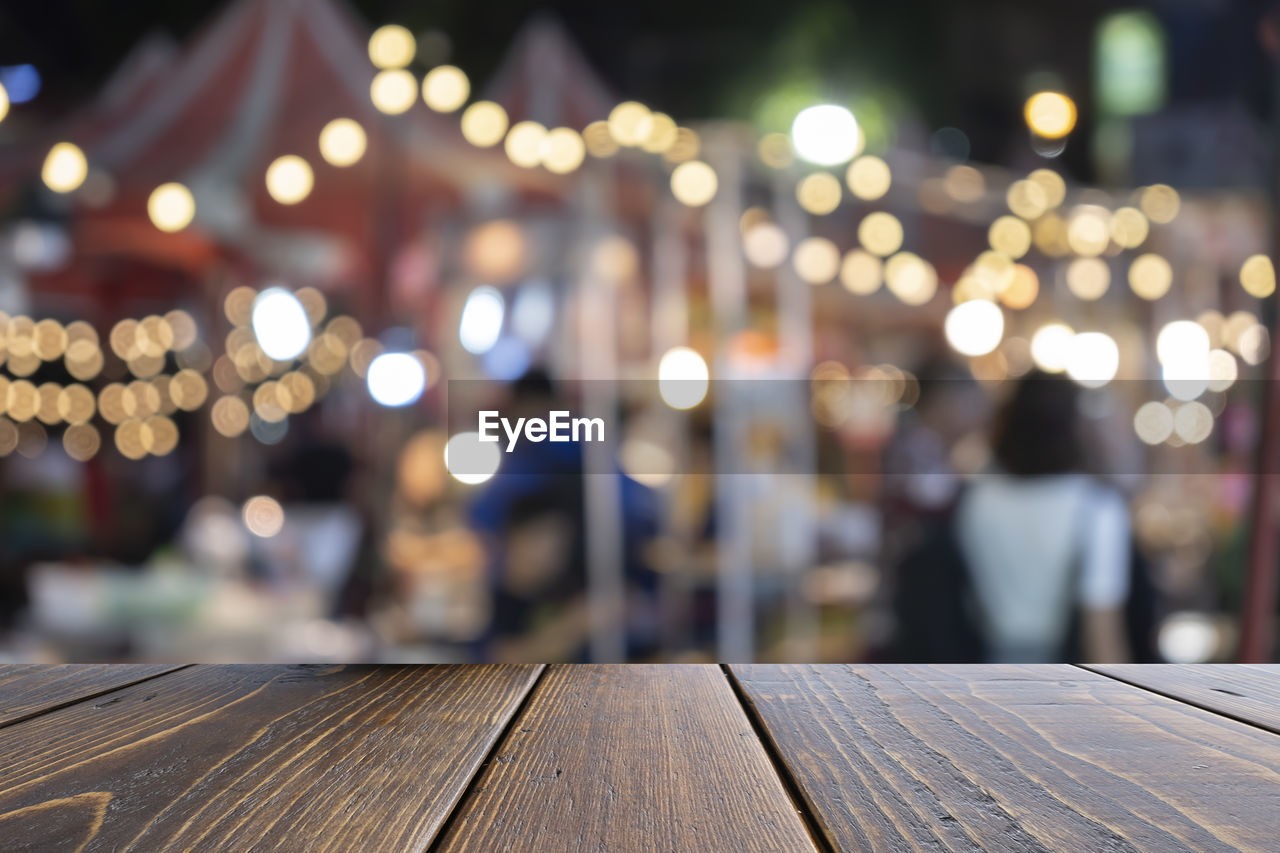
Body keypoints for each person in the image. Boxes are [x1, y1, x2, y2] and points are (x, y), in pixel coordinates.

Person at [954, 371, 1131, 662]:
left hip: (980, 670)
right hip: (1062, 677)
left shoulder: (976, 499)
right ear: (1074, 426)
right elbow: (1102, 632)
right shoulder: (1097, 507)